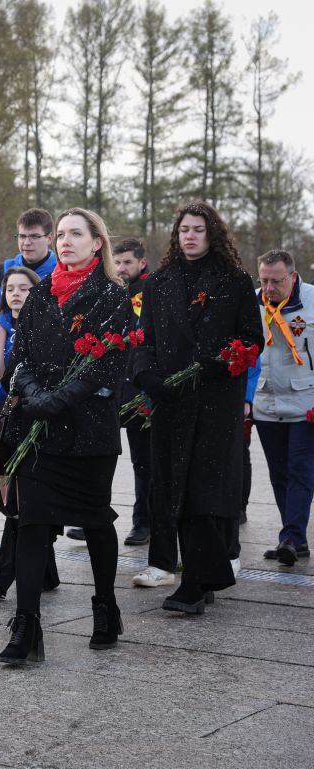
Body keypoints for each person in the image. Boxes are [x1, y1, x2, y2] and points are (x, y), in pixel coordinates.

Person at [0, 208, 131, 665]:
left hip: (89, 429)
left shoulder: (113, 295)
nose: (65, 241)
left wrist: (60, 398)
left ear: (97, 243)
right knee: (32, 524)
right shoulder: (40, 296)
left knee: (94, 521)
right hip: (38, 430)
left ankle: (105, 608)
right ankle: (26, 624)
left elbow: (109, 362)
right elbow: (19, 358)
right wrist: (37, 395)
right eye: (61, 235)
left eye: (76, 234)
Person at [131, 202, 262, 615]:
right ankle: (204, 577)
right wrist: (147, 376)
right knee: (173, 490)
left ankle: (195, 581)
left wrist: (219, 363)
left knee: (203, 489)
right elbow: (145, 340)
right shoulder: (159, 283)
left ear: (212, 234)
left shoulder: (235, 281)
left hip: (214, 401)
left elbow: (251, 339)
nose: (190, 236)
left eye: (198, 230)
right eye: (184, 229)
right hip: (171, 402)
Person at [0, 267, 61, 600]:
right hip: (4, 424)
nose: (15, 293)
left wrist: (27, 392)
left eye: (24, 288)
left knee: (23, 502)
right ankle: (47, 572)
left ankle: (3, 573)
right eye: (10, 288)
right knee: (12, 498)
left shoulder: (48, 326)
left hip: (36, 424)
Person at [251, 249, 314, 567]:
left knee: (300, 470)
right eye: (264, 280)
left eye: (276, 281)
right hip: (267, 402)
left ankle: (291, 536)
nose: (269, 288)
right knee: (278, 473)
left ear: (292, 276)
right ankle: (294, 536)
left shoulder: (313, 301)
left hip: (306, 403)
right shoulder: (253, 303)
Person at [112, 238, 153, 548]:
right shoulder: (110, 292)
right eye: (117, 262)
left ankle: (143, 522)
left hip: (140, 389)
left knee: (144, 462)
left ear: (142, 262)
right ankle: (94, 518)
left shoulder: (152, 292)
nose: (121, 268)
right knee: (101, 457)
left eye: (127, 262)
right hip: (111, 388)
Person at [0, 208, 58, 340]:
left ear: (49, 238)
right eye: (22, 236)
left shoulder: (62, 272)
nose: (26, 243)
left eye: (34, 236)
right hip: (4, 353)